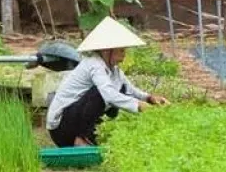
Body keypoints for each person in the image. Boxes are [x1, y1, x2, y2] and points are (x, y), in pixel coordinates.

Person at [46, 16, 168, 148]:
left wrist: (149, 98)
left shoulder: (114, 70)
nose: (124, 54)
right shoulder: (94, 64)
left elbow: (130, 90)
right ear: (106, 50)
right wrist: (138, 105)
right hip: (61, 128)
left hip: (74, 121)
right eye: (121, 50)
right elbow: (109, 95)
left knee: (119, 90)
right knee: (102, 93)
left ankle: (91, 136)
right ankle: (81, 139)